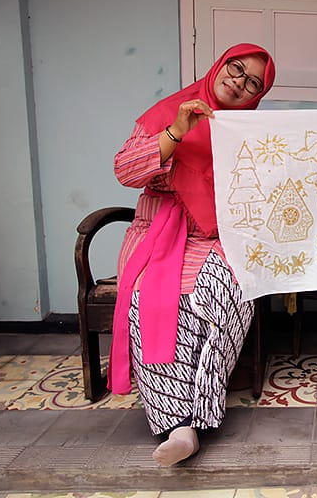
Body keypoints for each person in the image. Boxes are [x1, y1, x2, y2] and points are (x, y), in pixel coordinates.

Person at [107, 43, 276, 467]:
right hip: (158, 230)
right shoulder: (171, 112)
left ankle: (197, 414)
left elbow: (298, 164)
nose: (238, 83)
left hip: (220, 234)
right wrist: (177, 130)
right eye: (235, 69)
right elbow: (126, 172)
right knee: (152, 299)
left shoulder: (252, 133)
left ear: (258, 95)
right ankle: (178, 428)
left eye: (252, 83)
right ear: (219, 65)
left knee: (227, 292)